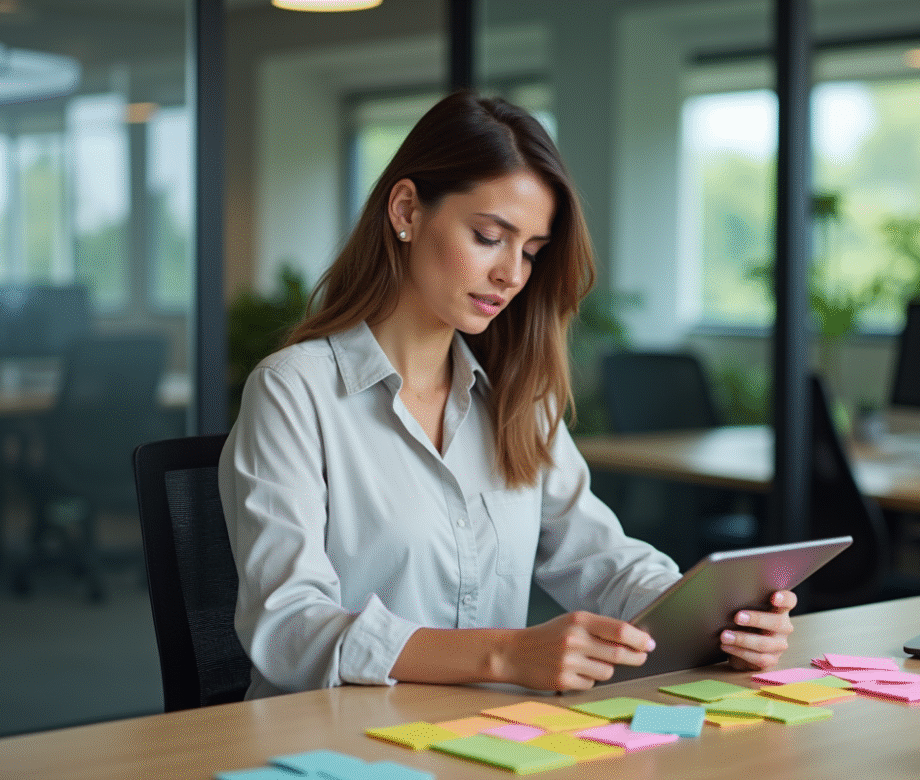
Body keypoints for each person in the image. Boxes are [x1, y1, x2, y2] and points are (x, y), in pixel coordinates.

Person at [218, 90, 796, 699]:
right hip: (337, 737)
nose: (512, 275)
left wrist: (718, 620)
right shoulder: (294, 391)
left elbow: (600, 559)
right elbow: (290, 627)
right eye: (490, 237)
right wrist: (503, 654)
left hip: (488, 736)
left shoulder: (519, 399)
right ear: (407, 210)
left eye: (531, 252)